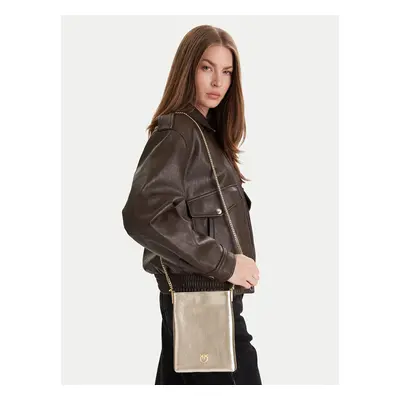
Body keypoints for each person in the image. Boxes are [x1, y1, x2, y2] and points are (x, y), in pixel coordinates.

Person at [122, 24, 262, 385]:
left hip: (209, 303)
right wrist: (226, 263)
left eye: (226, 72)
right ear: (188, 70)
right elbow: (142, 214)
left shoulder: (206, 136)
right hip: (201, 305)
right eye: (206, 68)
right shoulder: (179, 132)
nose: (217, 81)